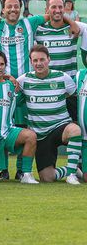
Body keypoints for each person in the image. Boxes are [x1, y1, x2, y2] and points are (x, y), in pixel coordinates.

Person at [17, 45, 82, 184]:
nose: (39, 63)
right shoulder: (23, 80)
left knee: (75, 130)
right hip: (40, 135)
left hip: (60, 126)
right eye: (35, 60)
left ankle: (71, 175)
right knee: (47, 178)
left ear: (49, 60)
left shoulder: (62, 77)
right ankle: (72, 168)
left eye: (42, 59)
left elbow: (75, 98)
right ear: (31, 62)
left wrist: (76, 119)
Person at [0, 51, 39, 183]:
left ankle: (26, 174)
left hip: (8, 132)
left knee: (30, 136)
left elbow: (22, 99)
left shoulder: (12, 85)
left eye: (2, 64)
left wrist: (10, 78)